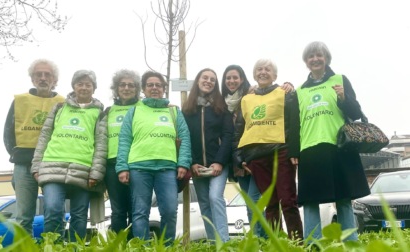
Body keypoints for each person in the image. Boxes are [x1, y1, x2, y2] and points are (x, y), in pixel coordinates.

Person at [296, 41, 370, 241]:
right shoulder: (300, 90)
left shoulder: (340, 79)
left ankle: (350, 242)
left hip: (339, 147)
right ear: (306, 61)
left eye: (319, 55)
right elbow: (295, 124)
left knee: (343, 198)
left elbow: (355, 113)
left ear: (326, 58)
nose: (315, 59)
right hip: (309, 150)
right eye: (311, 56)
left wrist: (344, 98)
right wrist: (295, 152)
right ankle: (312, 244)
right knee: (310, 200)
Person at [115, 70, 191, 244]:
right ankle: (142, 247)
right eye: (150, 85)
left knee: (170, 211)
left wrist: (183, 163)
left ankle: (167, 247)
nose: (154, 88)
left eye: (158, 85)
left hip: (167, 169)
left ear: (164, 89)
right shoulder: (134, 111)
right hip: (139, 168)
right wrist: (122, 167)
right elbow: (124, 140)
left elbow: (185, 138)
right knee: (140, 212)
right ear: (144, 89)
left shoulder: (174, 112)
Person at [31, 70, 107, 241]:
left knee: (79, 216)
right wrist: (36, 166)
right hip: (52, 167)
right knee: (52, 210)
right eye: (80, 84)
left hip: (83, 171)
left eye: (88, 84)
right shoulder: (59, 108)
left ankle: (76, 247)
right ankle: (53, 246)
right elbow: (44, 137)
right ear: (74, 86)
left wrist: (96, 172)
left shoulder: (100, 113)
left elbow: (101, 145)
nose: (84, 88)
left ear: (94, 88)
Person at [233, 59, 303, 240]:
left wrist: (294, 150)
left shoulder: (285, 93)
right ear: (254, 74)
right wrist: (239, 158)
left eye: (267, 69)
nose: (263, 72)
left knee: (288, 201)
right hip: (256, 156)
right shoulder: (246, 100)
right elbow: (239, 129)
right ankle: (276, 243)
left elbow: (295, 123)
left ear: (275, 75)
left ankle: (297, 243)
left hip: (282, 151)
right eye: (259, 69)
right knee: (270, 204)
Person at [3, 59, 65, 236]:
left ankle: (54, 246)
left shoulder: (63, 103)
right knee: (24, 216)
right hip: (24, 164)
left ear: (54, 80)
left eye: (48, 75)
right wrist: (16, 154)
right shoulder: (20, 101)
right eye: (39, 74)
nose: (43, 78)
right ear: (32, 78)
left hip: (53, 164)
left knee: (55, 212)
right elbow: (8, 131)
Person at [182, 68, 233, 242]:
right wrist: (192, 163)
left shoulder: (221, 107)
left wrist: (219, 162)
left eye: (212, 79)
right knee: (204, 203)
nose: (208, 81)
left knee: (215, 197)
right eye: (205, 77)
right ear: (198, 81)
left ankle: (224, 243)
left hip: (218, 165)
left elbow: (228, 136)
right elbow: (185, 138)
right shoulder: (188, 109)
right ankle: (213, 243)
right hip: (197, 167)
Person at [104, 69, 142, 237]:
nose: (126, 88)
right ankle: (119, 245)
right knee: (118, 210)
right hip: (112, 164)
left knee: (137, 209)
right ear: (116, 88)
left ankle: (136, 245)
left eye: (131, 85)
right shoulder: (107, 111)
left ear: (137, 89)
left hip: (137, 163)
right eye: (122, 85)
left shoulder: (143, 107)